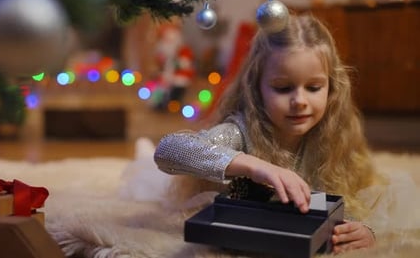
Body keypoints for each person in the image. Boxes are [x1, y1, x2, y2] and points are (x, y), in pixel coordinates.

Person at [153, 13, 379, 254]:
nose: (300, 101)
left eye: (313, 88)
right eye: (283, 88)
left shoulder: (331, 135)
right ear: (256, 88)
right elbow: (168, 150)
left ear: (332, 88)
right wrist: (254, 165)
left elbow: (339, 197)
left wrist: (360, 230)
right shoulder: (241, 131)